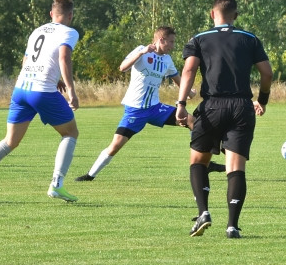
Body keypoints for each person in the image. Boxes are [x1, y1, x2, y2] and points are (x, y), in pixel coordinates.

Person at [0, 0, 80, 204]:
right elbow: (63, 57)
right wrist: (71, 90)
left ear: (51, 14)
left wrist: (54, 78)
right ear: (70, 15)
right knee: (70, 133)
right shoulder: (69, 32)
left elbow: (26, 60)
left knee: (10, 141)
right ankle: (57, 184)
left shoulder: (38, 31)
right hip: (42, 91)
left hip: (21, 89)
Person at [174, 0, 272, 239]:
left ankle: (204, 212)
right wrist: (262, 100)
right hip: (242, 107)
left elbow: (188, 70)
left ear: (211, 14)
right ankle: (232, 226)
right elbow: (267, 73)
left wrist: (181, 103)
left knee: (198, 161)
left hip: (212, 106)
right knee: (235, 168)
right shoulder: (250, 39)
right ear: (235, 16)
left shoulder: (199, 39)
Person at [75, 26, 224, 181]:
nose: (173, 46)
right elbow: (122, 68)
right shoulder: (141, 51)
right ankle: (90, 175)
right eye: (171, 42)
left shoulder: (167, 60)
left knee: (192, 121)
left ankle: (205, 162)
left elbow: (179, 80)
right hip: (135, 110)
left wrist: (191, 93)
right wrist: (141, 53)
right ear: (161, 40)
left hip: (155, 108)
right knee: (116, 145)